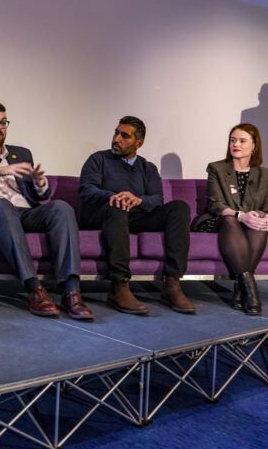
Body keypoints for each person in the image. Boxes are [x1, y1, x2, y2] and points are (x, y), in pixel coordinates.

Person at [0, 103, 93, 321]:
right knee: (4, 206)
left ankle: (71, 291)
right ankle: (35, 289)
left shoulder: (21, 153)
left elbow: (39, 195)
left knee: (62, 207)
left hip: (25, 212)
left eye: (3, 122)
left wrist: (41, 184)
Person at [79, 116, 195, 315]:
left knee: (179, 208)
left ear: (138, 143)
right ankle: (119, 287)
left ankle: (172, 284)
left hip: (137, 216)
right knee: (118, 207)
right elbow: (86, 190)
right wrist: (113, 196)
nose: (116, 139)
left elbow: (157, 198)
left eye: (125, 136)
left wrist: (140, 200)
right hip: (105, 215)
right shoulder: (98, 159)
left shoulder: (147, 168)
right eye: (116, 132)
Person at [192, 124, 268, 315]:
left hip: (249, 226)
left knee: (259, 223)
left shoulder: (266, 175)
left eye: (242, 140)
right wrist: (241, 216)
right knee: (231, 221)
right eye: (232, 140)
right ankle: (251, 292)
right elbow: (214, 204)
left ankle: (241, 290)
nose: (235, 144)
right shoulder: (217, 168)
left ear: (254, 146)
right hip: (220, 221)